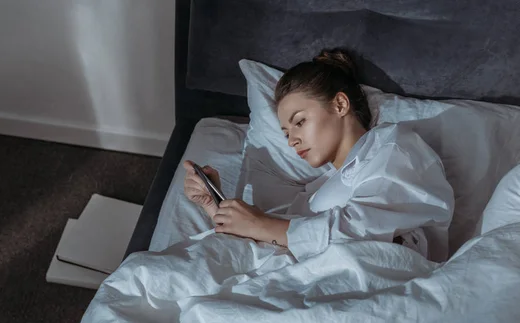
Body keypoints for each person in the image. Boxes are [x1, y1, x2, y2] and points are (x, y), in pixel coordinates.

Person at [183, 49, 454, 262]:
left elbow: (370, 234)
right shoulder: (318, 192)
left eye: (299, 122)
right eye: (286, 132)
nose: (292, 141)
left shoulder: (395, 146)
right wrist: (215, 207)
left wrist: (263, 224)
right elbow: (275, 247)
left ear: (340, 104)